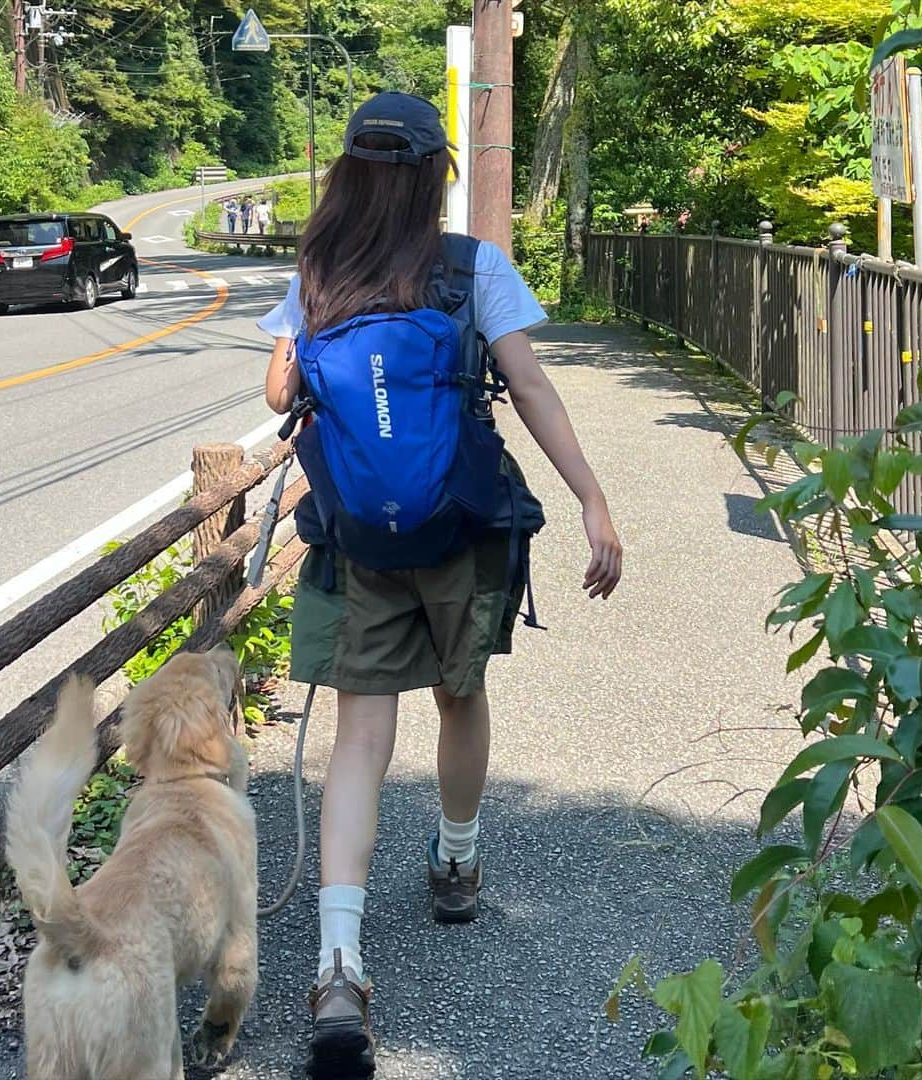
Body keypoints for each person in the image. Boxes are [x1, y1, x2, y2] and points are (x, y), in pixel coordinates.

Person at [258, 91, 622, 1079]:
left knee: (360, 737)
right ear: (434, 174)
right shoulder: (471, 269)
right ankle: (456, 857)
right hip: (462, 532)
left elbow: (281, 392)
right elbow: (533, 388)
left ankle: (338, 965)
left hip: (354, 540)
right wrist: (591, 498)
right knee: (462, 698)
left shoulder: (318, 269)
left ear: (349, 171)